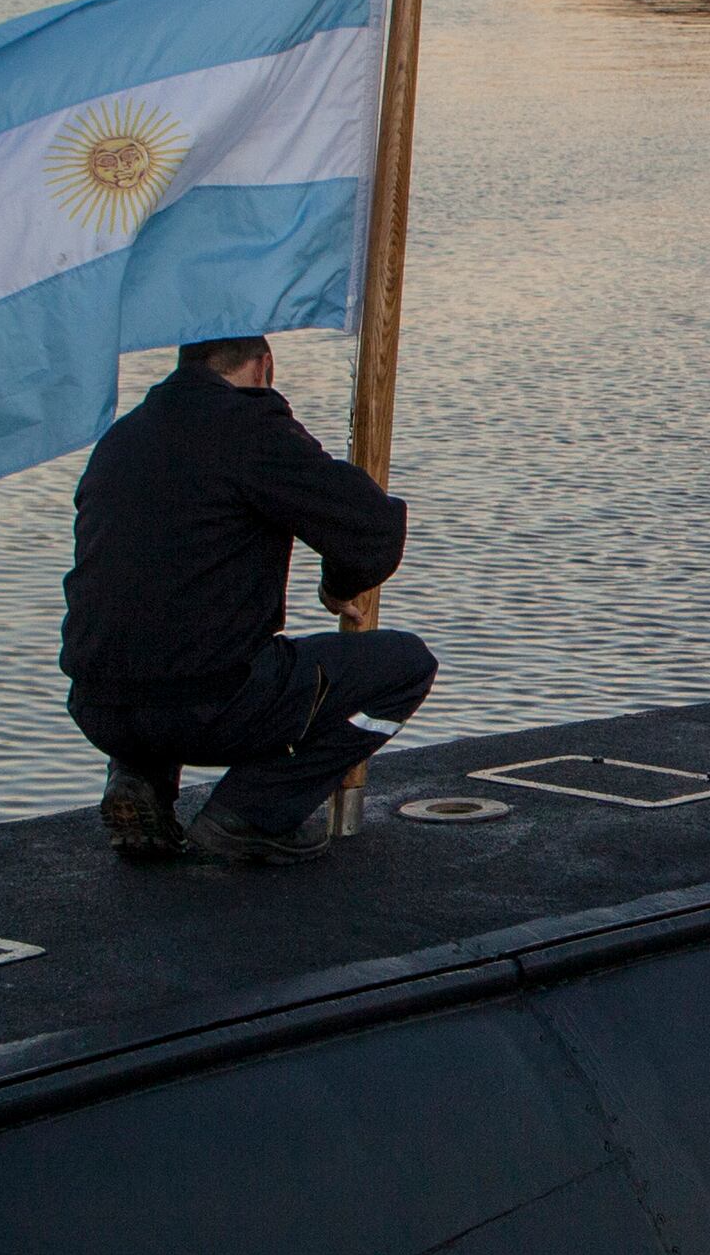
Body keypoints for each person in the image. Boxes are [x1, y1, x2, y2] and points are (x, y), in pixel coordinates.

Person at [62, 335, 435, 867]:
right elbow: (371, 527)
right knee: (405, 667)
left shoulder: (122, 438)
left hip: (96, 704)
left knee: (158, 630)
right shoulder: (249, 427)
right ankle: (250, 813)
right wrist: (338, 586)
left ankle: (137, 773)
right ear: (264, 367)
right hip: (209, 706)